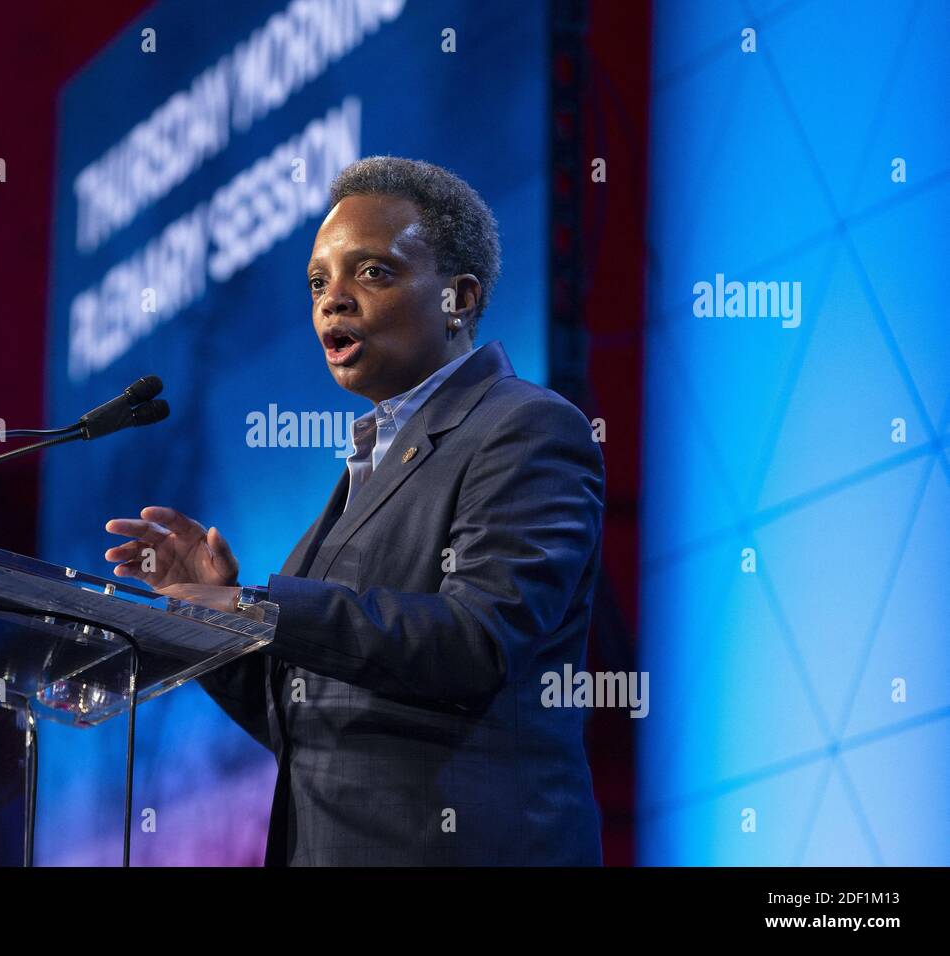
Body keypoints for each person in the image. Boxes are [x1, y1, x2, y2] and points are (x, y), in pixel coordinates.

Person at [103, 156, 605, 865]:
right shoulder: (368, 464)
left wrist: (256, 606)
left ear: (459, 297)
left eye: (371, 272)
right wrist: (209, 624)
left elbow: (477, 642)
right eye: (318, 283)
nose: (332, 300)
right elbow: (310, 719)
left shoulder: (526, 427)